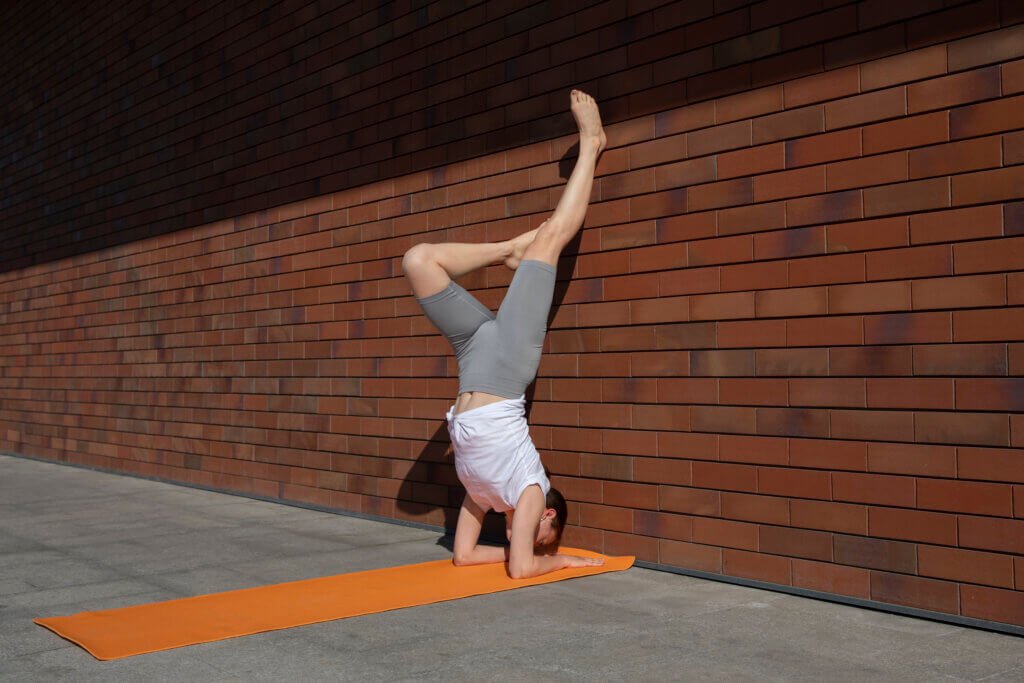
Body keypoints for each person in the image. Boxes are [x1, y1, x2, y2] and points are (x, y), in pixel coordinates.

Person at [402, 89, 608, 579]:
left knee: (418, 261)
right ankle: (592, 142)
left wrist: (530, 552)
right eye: (542, 538)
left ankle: (507, 252)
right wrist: (559, 559)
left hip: (473, 361)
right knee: (553, 238)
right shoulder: (529, 490)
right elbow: (521, 570)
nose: (532, 540)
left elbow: (464, 555)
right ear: (549, 518)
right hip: (509, 364)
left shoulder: (485, 495)